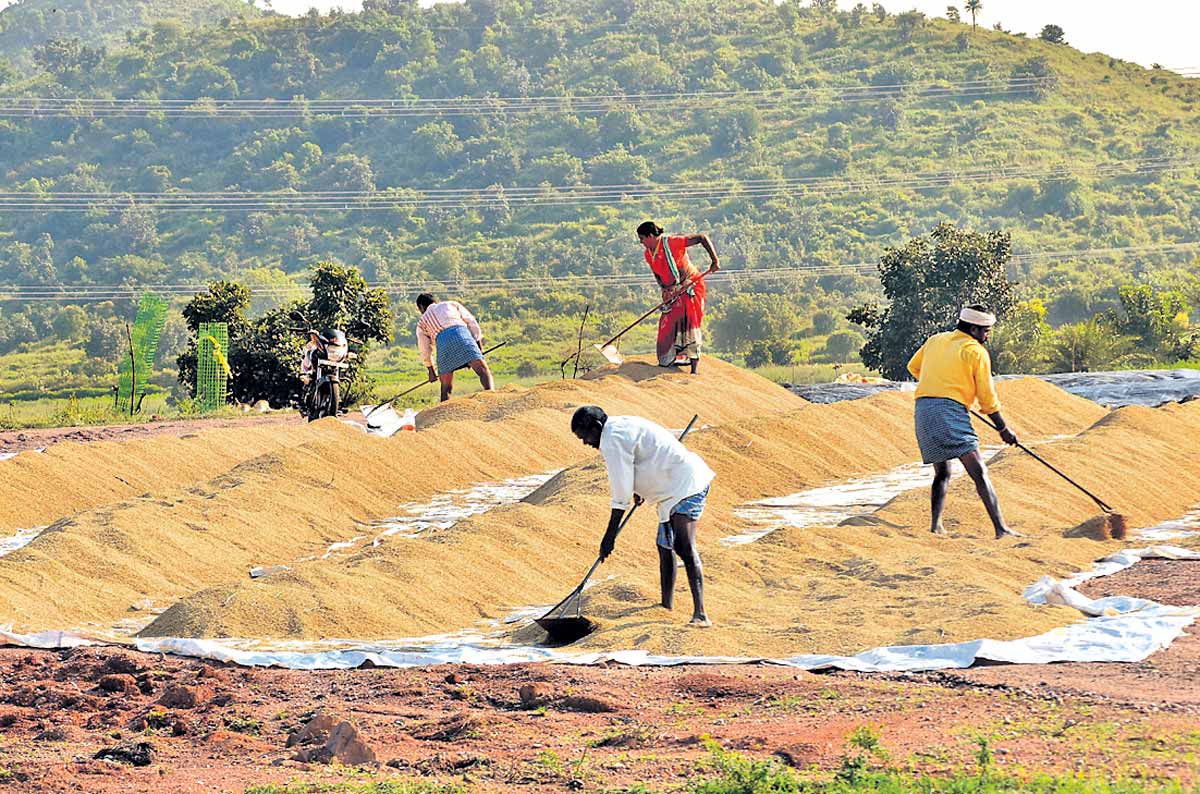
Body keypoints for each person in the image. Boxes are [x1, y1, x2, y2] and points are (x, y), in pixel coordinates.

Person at [571, 405, 715, 626]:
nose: (586, 443)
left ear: (597, 427)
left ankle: (701, 614)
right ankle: (666, 606)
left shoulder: (612, 440)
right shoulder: (617, 427)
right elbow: (642, 457)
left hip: (686, 485)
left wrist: (609, 537)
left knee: (683, 545)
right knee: (664, 546)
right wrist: (638, 488)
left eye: (586, 437)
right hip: (668, 492)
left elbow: (620, 494)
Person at [907, 305, 1021, 540]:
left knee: (942, 471)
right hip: (949, 412)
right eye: (986, 331)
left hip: (924, 410)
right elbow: (987, 399)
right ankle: (1001, 529)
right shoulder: (975, 351)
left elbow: (913, 367)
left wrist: (940, 383)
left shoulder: (936, 340)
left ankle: (936, 525)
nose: (987, 336)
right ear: (973, 328)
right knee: (979, 470)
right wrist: (1003, 429)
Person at [637, 221, 720, 374]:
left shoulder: (672, 242)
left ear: (650, 236)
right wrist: (665, 290)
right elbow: (657, 274)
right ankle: (668, 361)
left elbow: (702, 238)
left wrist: (714, 260)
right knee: (667, 323)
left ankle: (694, 370)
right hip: (673, 290)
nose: (641, 242)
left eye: (642, 238)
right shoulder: (648, 254)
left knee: (689, 321)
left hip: (691, 286)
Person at [415, 293, 495, 402]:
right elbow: (471, 322)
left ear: (421, 307)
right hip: (462, 335)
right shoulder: (451, 304)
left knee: (446, 388)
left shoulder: (422, 322)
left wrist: (431, 371)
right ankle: (491, 396)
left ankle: (444, 412)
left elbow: (424, 349)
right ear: (435, 301)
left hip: (443, 345)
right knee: (483, 370)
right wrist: (478, 348)